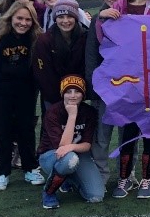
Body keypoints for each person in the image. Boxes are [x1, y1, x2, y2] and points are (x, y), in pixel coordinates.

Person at [97, 0, 150, 199]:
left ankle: (148, 178)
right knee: (128, 127)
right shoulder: (121, 5)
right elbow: (103, 36)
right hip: (125, 77)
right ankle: (125, 177)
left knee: (148, 128)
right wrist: (102, 16)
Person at [0, 0, 44, 192]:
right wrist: (17, 73)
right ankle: (3, 173)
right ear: (11, 17)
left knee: (26, 129)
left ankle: (30, 168)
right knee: (2, 130)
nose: (23, 23)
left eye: (27, 19)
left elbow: (34, 68)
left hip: (25, 92)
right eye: (19, 18)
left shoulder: (34, 37)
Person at [85, 0, 126, 187]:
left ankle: (127, 173)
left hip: (129, 87)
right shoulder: (97, 20)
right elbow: (91, 54)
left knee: (127, 134)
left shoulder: (131, 14)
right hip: (105, 87)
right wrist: (94, 85)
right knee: (102, 134)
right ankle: (101, 173)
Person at [38, 75, 103, 209]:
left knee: (96, 196)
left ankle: (70, 179)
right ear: (62, 94)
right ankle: (48, 192)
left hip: (77, 153)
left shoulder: (89, 112)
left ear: (83, 94)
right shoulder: (53, 112)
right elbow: (62, 147)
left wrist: (73, 146)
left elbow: (87, 145)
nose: (72, 95)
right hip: (52, 155)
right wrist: (72, 116)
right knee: (69, 159)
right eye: (68, 91)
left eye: (77, 91)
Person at [32, 0, 87, 111]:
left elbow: (85, 67)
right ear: (55, 18)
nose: (65, 21)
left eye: (70, 16)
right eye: (61, 17)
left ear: (76, 17)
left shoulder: (85, 37)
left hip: (77, 94)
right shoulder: (44, 40)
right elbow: (44, 74)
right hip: (53, 97)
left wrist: (76, 92)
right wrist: (61, 96)